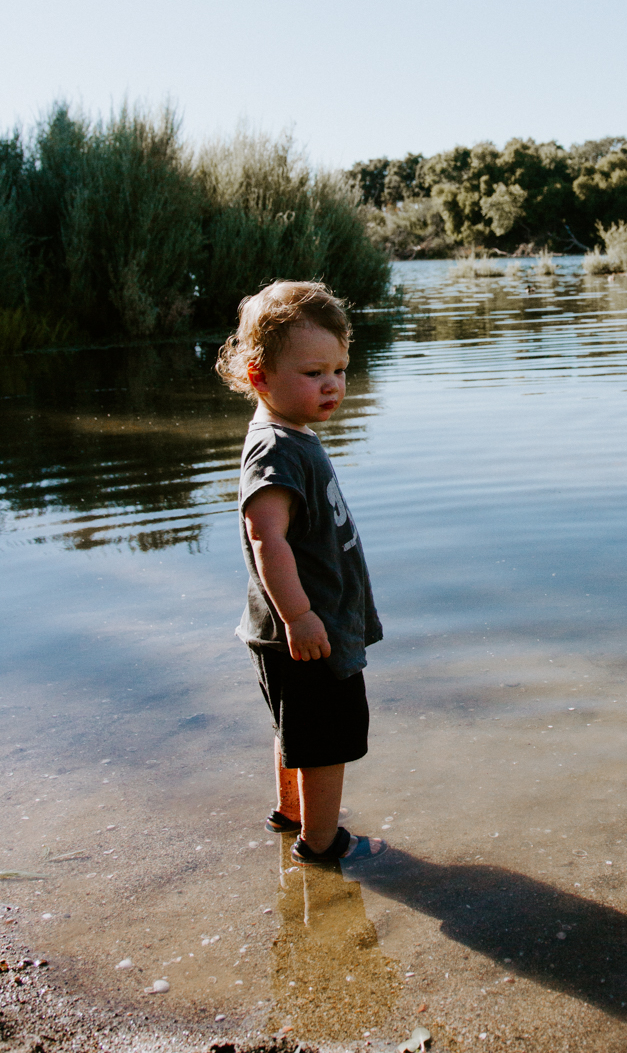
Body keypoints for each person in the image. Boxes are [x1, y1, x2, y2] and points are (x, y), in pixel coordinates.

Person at [216, 280, 386, 866]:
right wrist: (302, 615)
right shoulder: (277, 450)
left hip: (297, 627)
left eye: (340, 368)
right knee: (326, 742)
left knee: (298, 729)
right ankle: (322, 843)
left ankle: (291, 813)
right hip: (304, 634)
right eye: (314, 373)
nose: (333, 383)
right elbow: (266, 537)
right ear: (260, 376)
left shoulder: (290, 433)